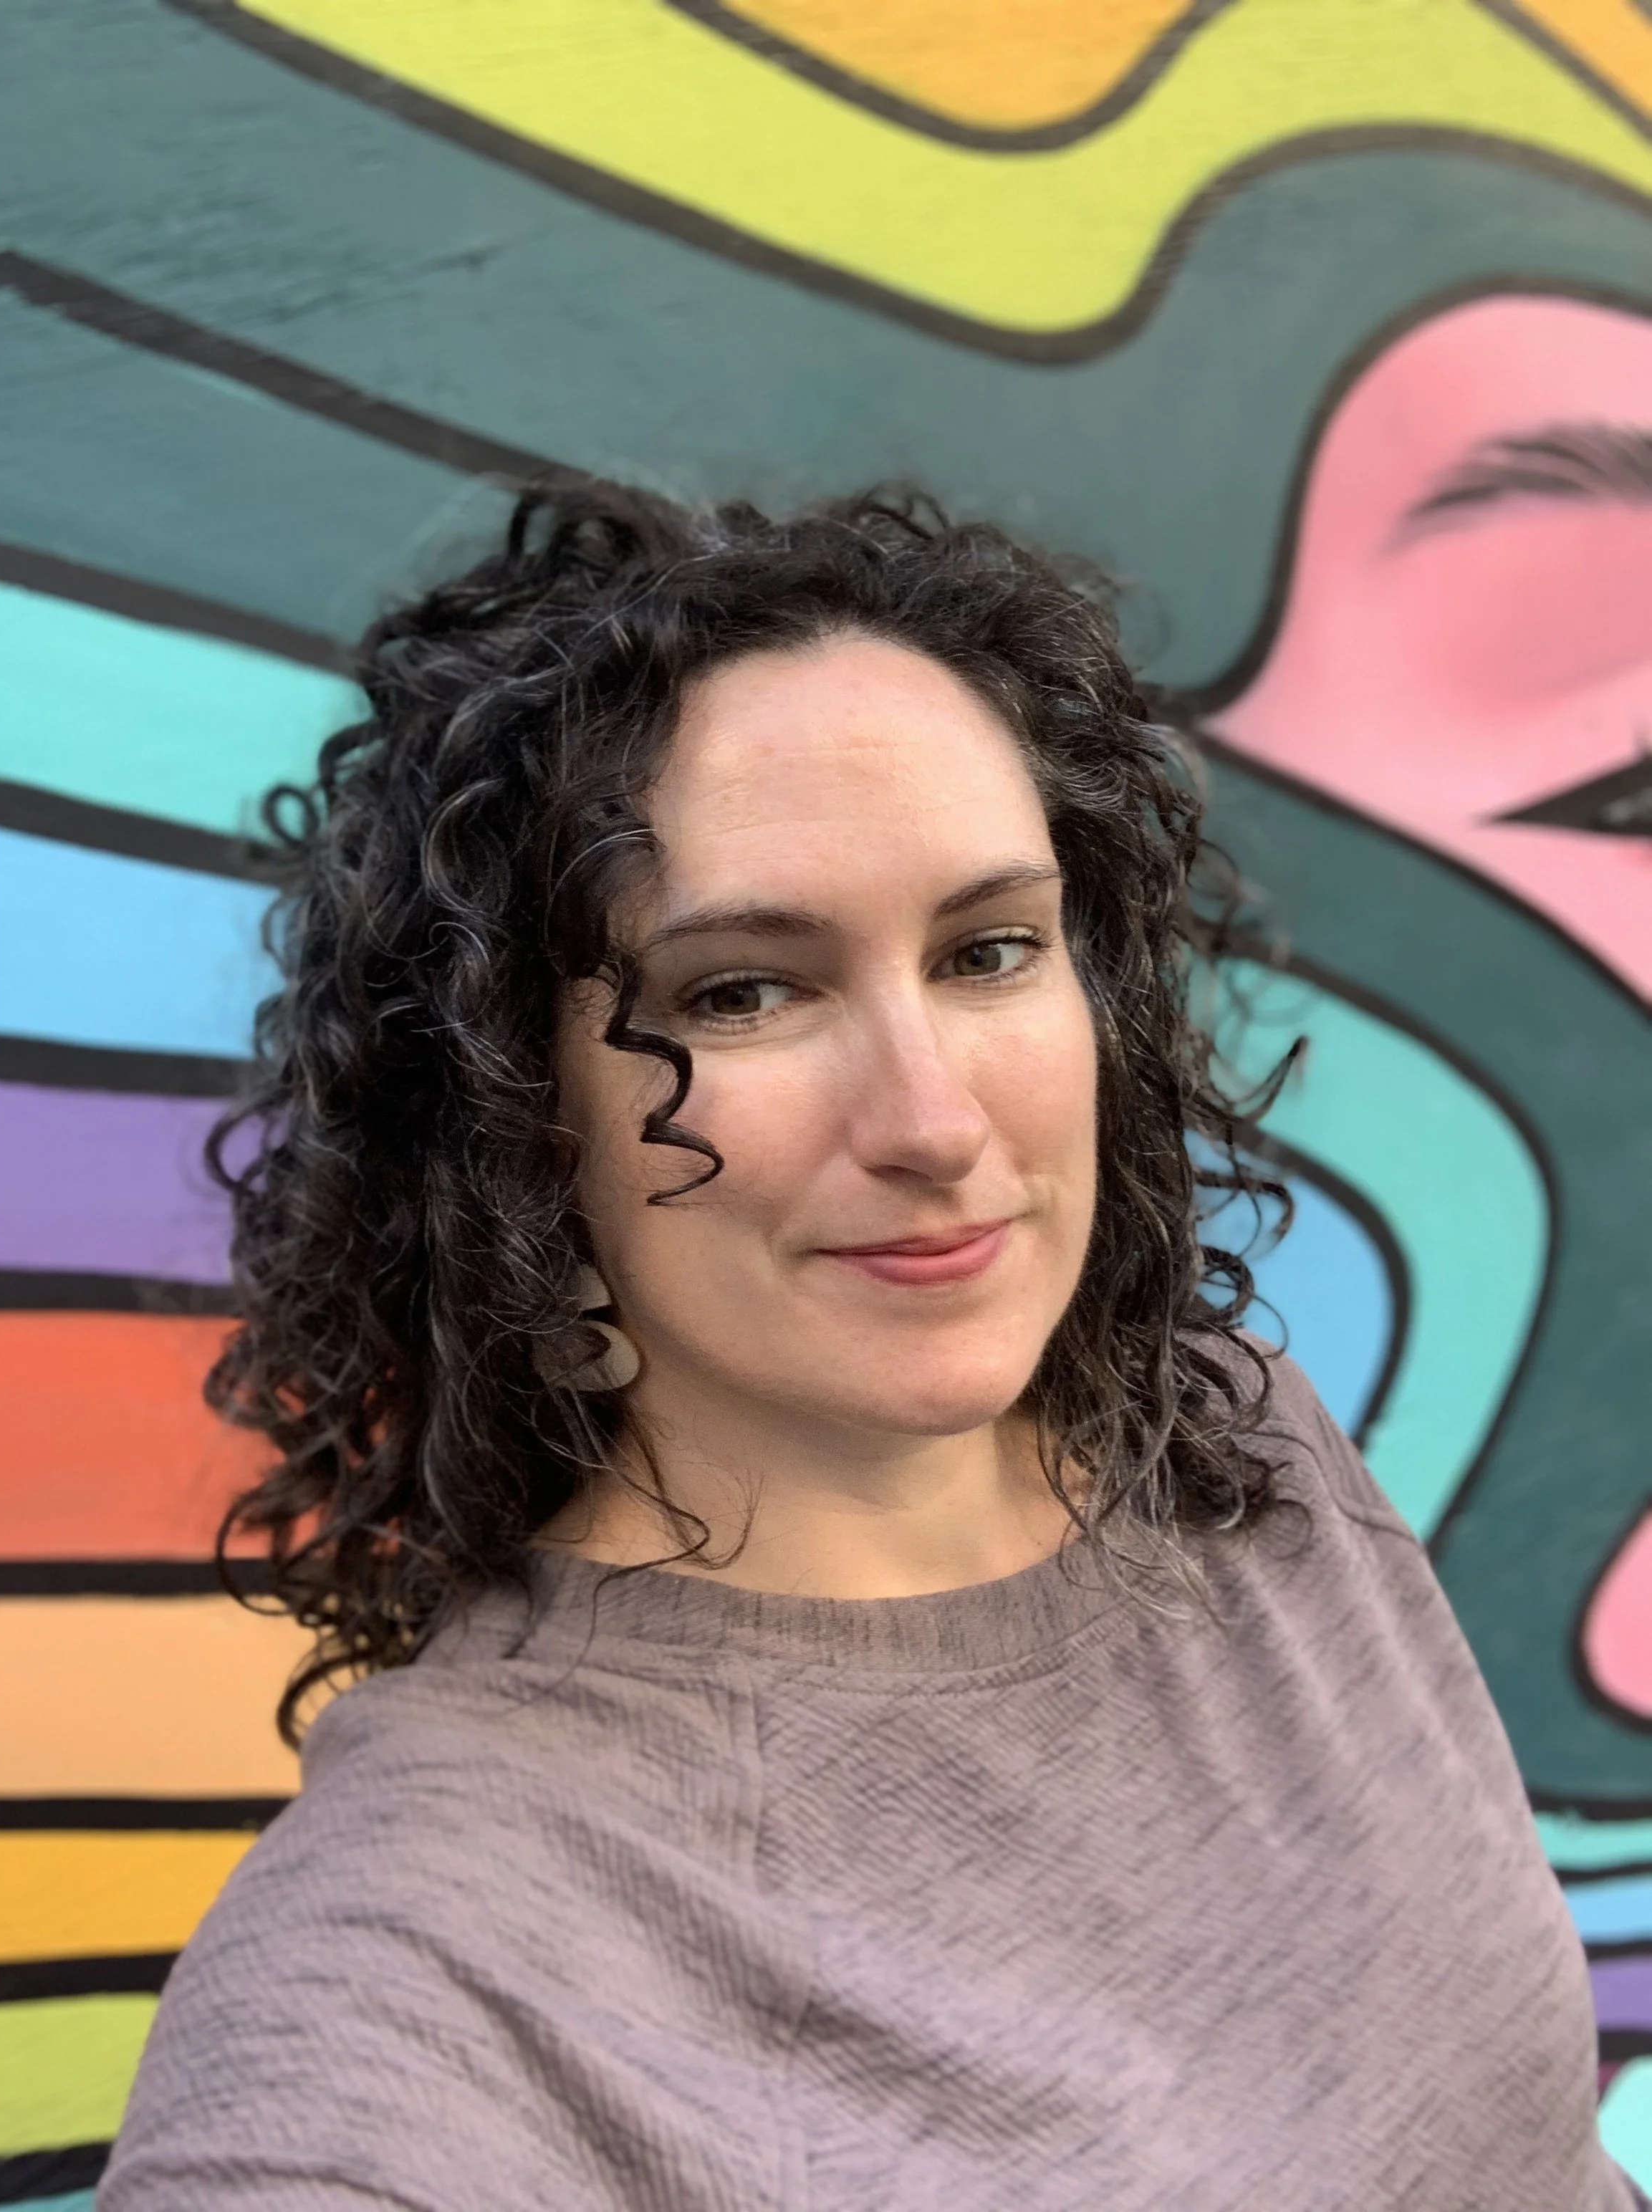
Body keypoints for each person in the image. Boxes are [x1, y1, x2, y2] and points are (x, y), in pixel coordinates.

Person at [100, 482, 1636, 2211]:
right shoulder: (426, 1958)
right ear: (518, 1121)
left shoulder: (1235, 1443)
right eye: (745, 991)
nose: (931, 1117)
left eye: (989, 951)